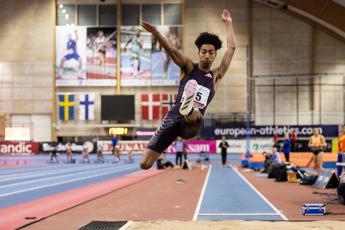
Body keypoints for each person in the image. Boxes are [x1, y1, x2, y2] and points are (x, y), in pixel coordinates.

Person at [140, 9, 235, 170]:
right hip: (172, 117)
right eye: (203, 52)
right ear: (199, 53)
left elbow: (231, 49)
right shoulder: (189, 67)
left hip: (193, 123)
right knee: (145, 164)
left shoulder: (216, 76)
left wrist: (229, 23)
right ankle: (187, 105)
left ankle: (190, 106)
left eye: (210, 53)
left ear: (214, 56)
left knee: (194, 113)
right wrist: (156, 32)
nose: (206, 55)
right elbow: (172, 51)